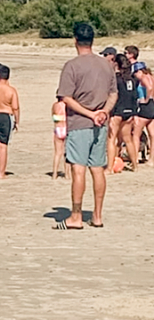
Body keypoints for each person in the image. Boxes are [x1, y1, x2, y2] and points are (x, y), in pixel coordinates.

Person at [55, 23, 117, 229]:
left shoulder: (72, 66)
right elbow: (113, 93)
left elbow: (66, 97)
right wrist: (104, 112)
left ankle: (76, 216)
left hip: (81, 123)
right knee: (97, 169)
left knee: (78, 170)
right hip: (101, 123)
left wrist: (91, 113)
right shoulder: (106, 65)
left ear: (75, 40)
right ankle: (97, 216)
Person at [107, 54, 138, 173]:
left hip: (118, 111)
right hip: (129, 110)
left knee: (111, 139)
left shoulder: (116, 79)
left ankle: (109, 168)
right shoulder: (131, 79)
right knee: (128, 139)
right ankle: (135, 165)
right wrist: (134, 112)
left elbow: (113, 95)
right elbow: (134, 96)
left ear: (116, 64)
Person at [51, 97, 68, 180]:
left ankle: (54, 174)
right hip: (66, 128)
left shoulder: (54, 105)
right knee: (67, 153)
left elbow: (53, 118)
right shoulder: (67, 105)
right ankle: (67, 174)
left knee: (57, 153)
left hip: (58, 128)